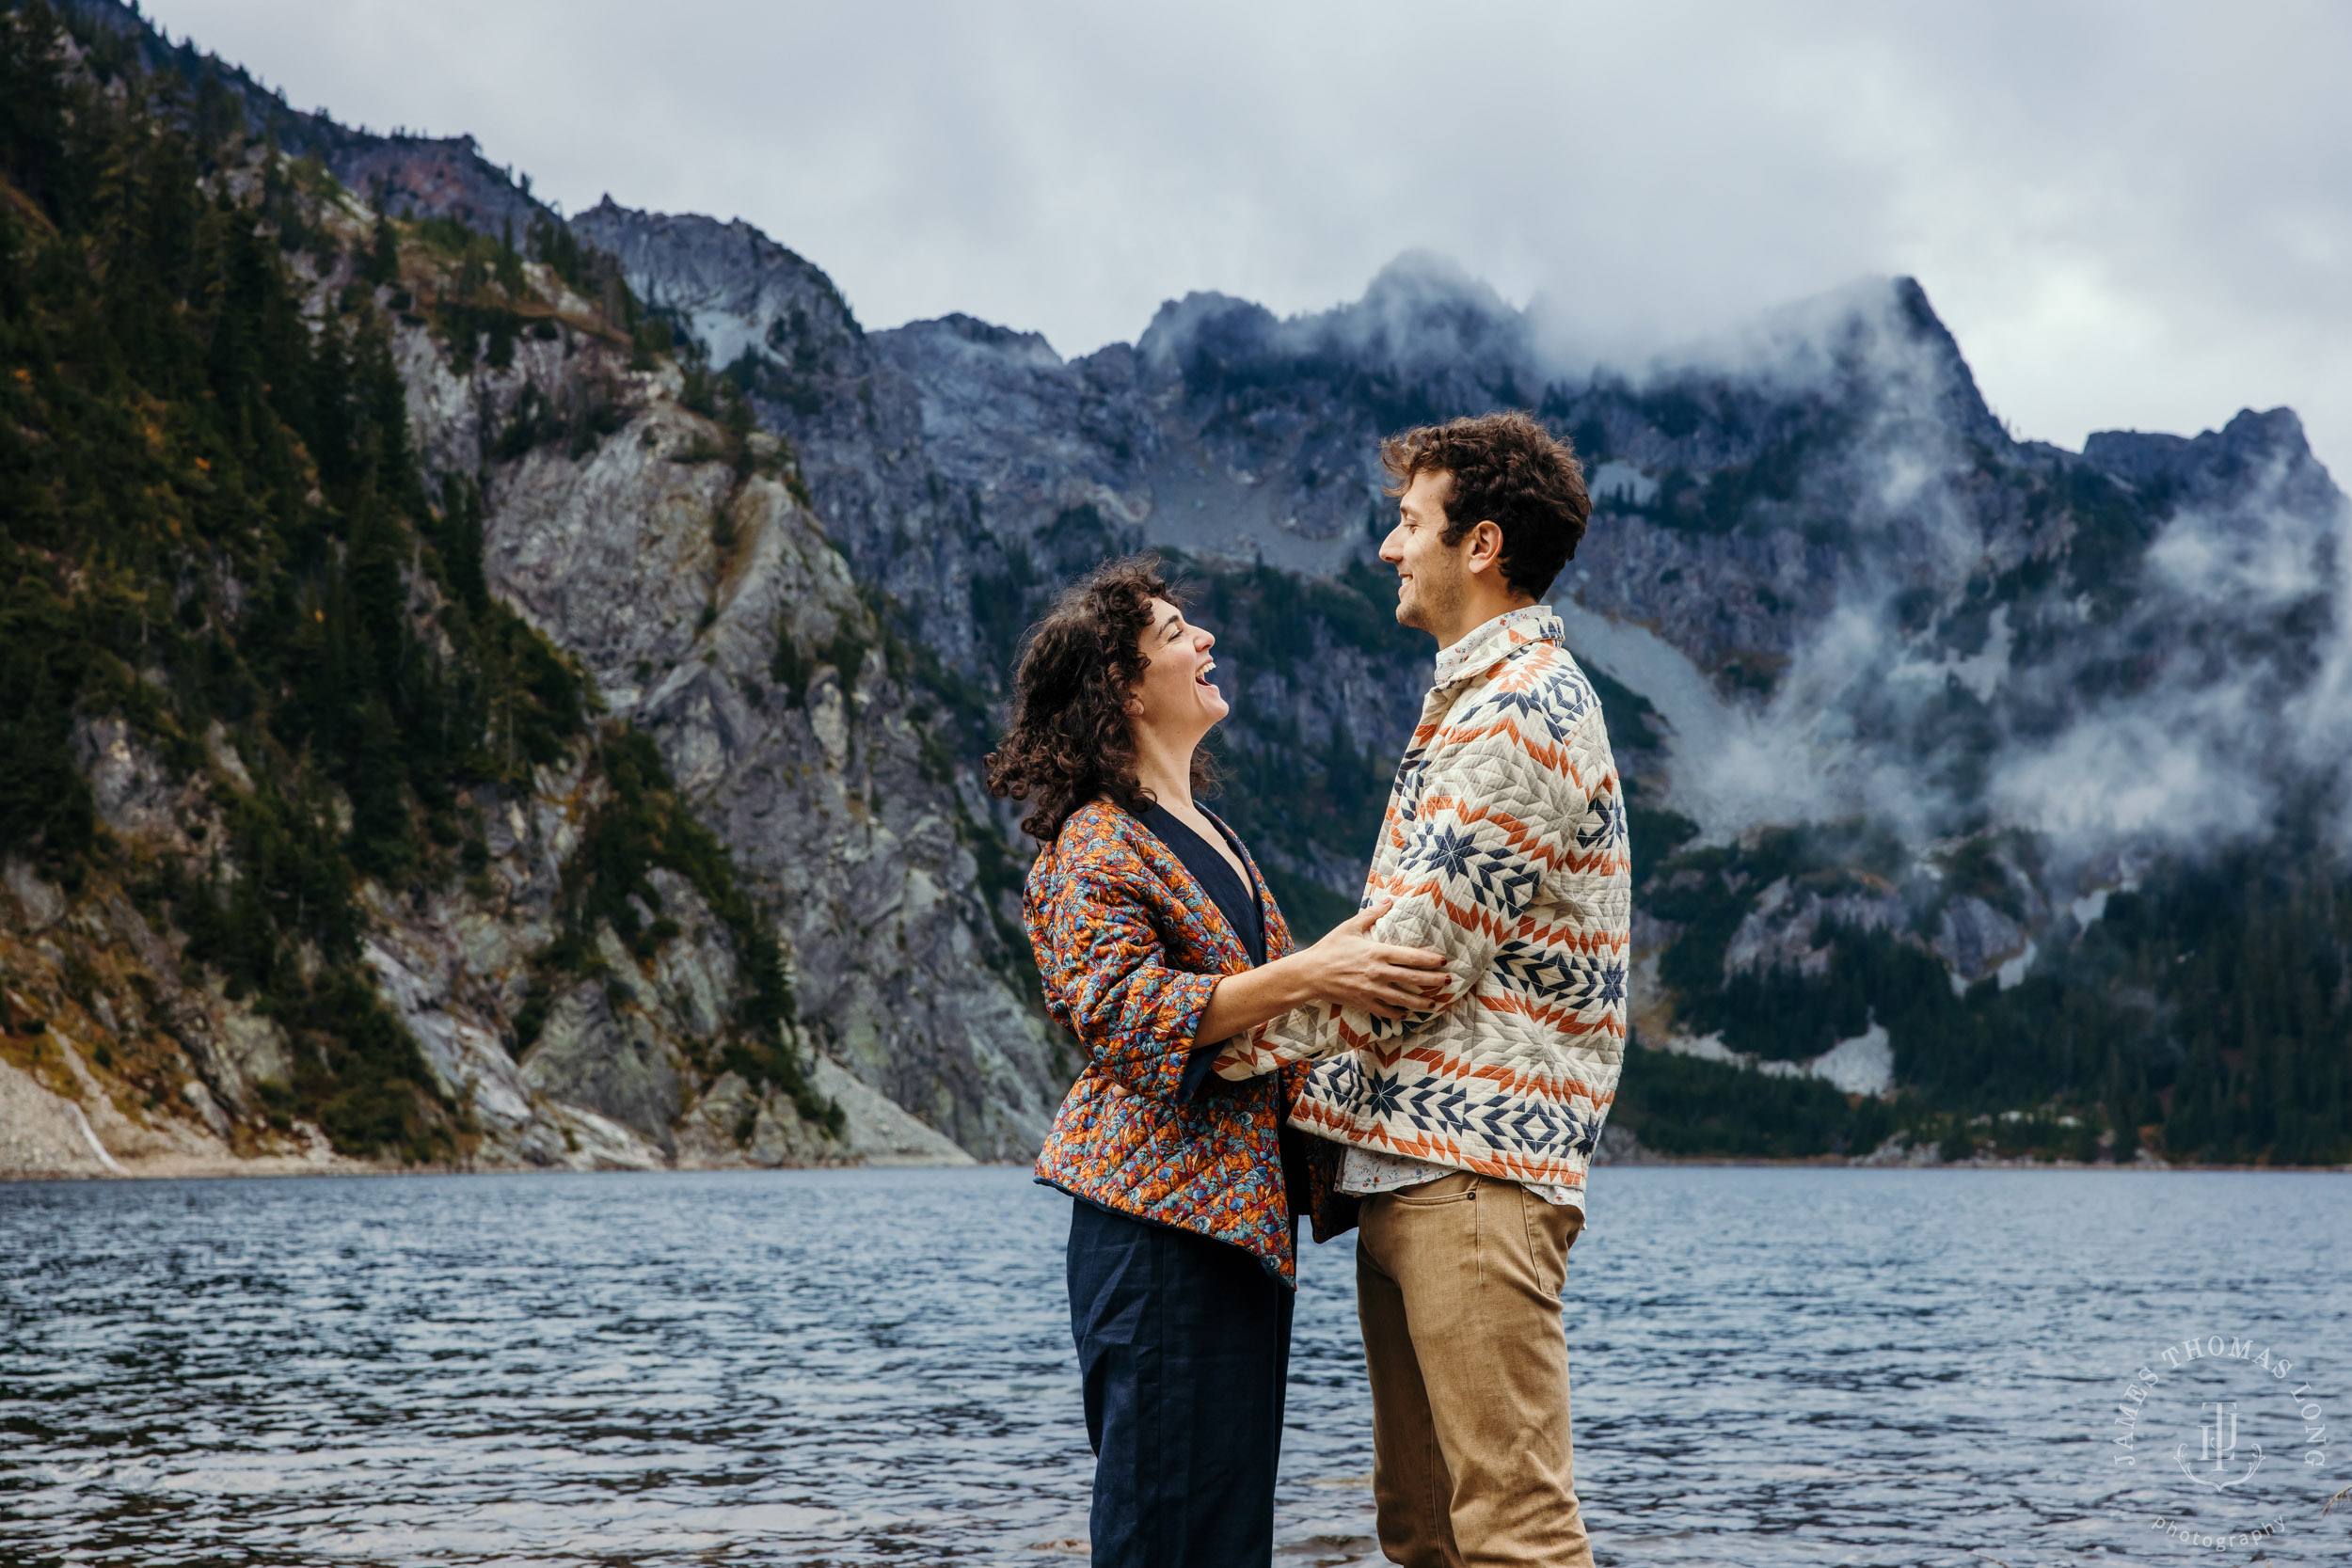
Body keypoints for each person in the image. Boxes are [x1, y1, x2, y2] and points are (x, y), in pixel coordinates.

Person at [1212, 411, 1629, 1568]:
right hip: (1411, 1171)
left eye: (1408, 523)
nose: (1389, 548)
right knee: (1426, 1528)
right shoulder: (1472, 696)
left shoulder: (1522, 709)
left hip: (1473, 1177)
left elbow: (1412, 956)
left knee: (1513, 1529)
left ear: (1480, 543)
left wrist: (1209, 1034)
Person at [983, 557, 1455, 1568]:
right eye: (1176, 631)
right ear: (1121, 683)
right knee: (1165, 1523)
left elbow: (1264, 1025)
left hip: (1232, 1229)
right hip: (1154, 1229)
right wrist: (1311, 970)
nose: (1204, 642)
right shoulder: (1091, 843)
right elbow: (1124, 1013)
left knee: (1223, 1530)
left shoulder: (1211, 832)